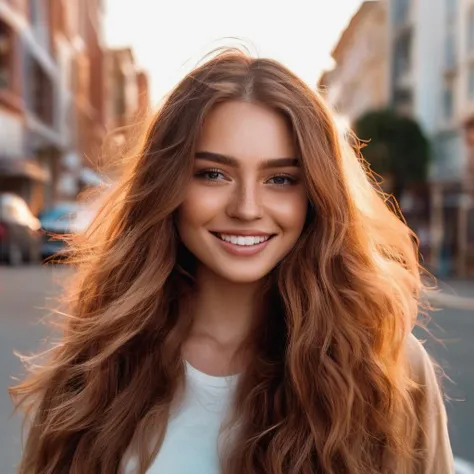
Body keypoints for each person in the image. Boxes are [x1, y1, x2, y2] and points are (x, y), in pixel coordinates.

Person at [10, 49, 454, 474]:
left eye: (280, 179)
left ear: (316, 196)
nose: (246, 207)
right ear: (167, 185)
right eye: (213, 173)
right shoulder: (96, 362)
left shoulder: (385, 367)